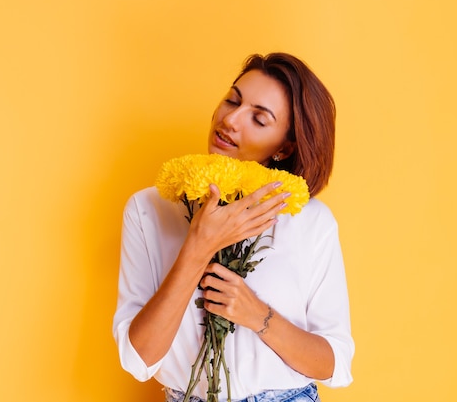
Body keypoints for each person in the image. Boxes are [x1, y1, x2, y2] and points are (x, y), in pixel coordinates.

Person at [113, 52, 354, 402]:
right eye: (232, 100)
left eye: (259, 119)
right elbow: (138, 360)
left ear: (284, 148)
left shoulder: (310, 221)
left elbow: (334, 363)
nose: (231, 120)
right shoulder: (149, 209)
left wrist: (257, 314)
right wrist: (197, 248)